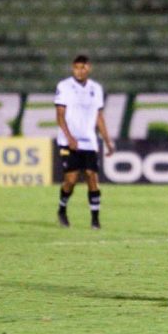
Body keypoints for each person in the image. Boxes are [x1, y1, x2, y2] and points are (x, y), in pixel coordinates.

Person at [54, 55, 115, 229]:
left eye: (83, 68)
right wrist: (69, 137)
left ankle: (95, 219)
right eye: (76, 68)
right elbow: (60, 115)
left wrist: (108, 141)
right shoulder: (64, 87)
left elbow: (99, 117)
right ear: (73, 68)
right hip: (69, 142)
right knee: (71, 179)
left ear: (89, 68)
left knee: (91, 176)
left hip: (89, 141)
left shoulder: (96, 89)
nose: (79, 71)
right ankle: (62, 209)